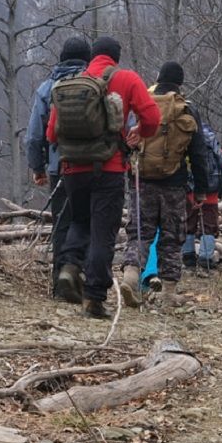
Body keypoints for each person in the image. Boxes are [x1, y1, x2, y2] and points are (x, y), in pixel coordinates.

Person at [47, 37, 161, 318]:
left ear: (93, 57)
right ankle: (94, 300)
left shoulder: (71, 84)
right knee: (103, 234)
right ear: (116, 57)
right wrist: (138, 134)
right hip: (108, 169)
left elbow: (51, 134)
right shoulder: (126, 79)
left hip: (73, 169)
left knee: (79, 221)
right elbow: (152, 118)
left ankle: (70, 267)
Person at [119, 61, 210, 306]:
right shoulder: (186, 109)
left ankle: (130, 275)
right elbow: (199, 152)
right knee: (171, 236)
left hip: (142, 180)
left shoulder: (142, 104)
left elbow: (126, 139)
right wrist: (201, 188)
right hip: (174, 182)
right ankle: (169, 294)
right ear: (180, 83)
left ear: (158, 79)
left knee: (139, 231)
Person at [25, 37, 92, 298]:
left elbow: (33, 135)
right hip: (91, 165)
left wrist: (38, 167)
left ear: (61, 58)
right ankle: (82, 278)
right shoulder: (95, 84)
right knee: (87, 222)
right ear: (88, 59)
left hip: (58, 168)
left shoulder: (47, 88)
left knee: (62, 224)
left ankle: (59, 284)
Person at [183, 129, 222, 270]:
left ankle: (188, 258)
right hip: (211, 195)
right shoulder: (216, 151)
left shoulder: (184, 149)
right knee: (208, 227)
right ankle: (206, 259)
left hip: (190, 193)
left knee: (188, 223)